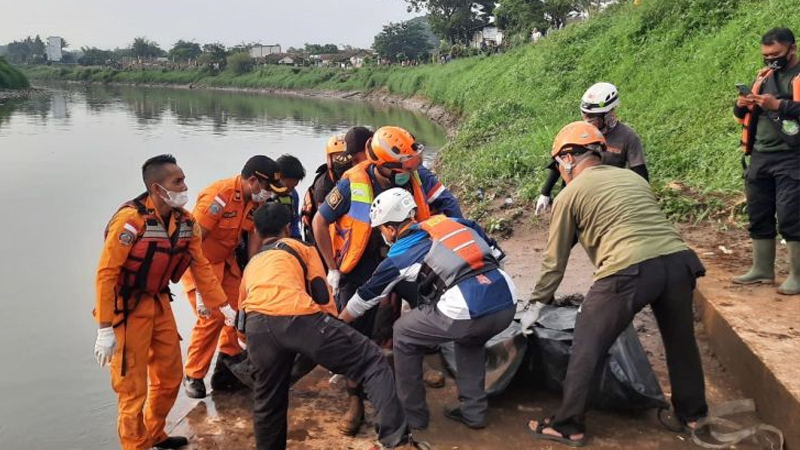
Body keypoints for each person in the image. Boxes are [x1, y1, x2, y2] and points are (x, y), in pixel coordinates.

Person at [521, 122, 708, 447]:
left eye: (558, 163)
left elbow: (555, 262)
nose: (560, 170)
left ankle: (568, 425)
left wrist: (536, 305)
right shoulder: (633, 179)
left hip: (627, 270)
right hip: (679, 261)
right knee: (681, 342)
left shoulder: (569, 194)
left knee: (587, 342)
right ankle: (692, 416)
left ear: (568, 157)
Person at [312, 125, 462, 436]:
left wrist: (455, 234)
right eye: (402, 169)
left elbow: (446, 202)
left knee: (428, 301)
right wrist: (332, 269)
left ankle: (420, 363)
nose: (410, 173)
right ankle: (355, 401)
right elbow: (319, 220)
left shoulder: (415, 173)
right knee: (355, 330)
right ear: (382, 166)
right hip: (360, 261)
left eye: (411, 166)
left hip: (406, 254)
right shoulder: (352, 182)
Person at [240, 202, 429, 450]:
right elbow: (322, 298)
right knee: (371, 360)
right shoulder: (301, 248)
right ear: (288, 227)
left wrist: (249, 343)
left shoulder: (252, 265)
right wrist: (333, 333)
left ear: (256, 232)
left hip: (257, 328)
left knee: (268, 401)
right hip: (298, 316)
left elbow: (241, 315)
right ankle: (397, 442)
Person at [339, 188, 516, 430]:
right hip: (506, 300)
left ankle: (414, 416)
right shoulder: (456, 223)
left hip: (466, 310)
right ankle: (474, 412)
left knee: (403, 331)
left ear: (390, 229)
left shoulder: (400, 253)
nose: (383, 234)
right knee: (470, 340)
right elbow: (497, 255)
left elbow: (365, 297)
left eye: (381, 229)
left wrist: (340, 320)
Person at [94, 154, 234, 450]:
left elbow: (201, 266)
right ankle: (136, 445)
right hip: (127, 310)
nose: (185, 186)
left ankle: (155, 432)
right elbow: (106, 275)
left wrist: (223, 306)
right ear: (157, 189)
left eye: (183, 179)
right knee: (132, 390)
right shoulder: (130, 222)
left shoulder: (186, 222)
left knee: (169, 378)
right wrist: (104, 329)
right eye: (178, 181)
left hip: (159, 304)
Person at [183, 155, 288, 399]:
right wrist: (201, 290)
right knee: (211, 318)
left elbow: (253, 235)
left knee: (240, 309)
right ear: (253, 180)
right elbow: (193, 241)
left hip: (226, 262)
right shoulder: (217, 197)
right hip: (202, 266)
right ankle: (193, 374)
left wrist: (252, 268)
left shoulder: (254, 200)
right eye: (267, 189)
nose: (269, 195)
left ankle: (230, 360)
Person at [732, 27, 800, 295]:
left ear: (792, 49)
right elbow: (741, 118)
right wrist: (742, 104)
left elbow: (782, 108)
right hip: (759, 155)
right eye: (766, 55)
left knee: (790, 215)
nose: (771, 59)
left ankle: (797, 275)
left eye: (776, 54)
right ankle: (762, 269)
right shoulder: (764, 77)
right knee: (759, 212)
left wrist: (778, 105)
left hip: (792, 157)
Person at [535, 82, 649, 216]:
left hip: (606, 199)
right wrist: (545, 192)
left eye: (591, 118)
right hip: (575, 193)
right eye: (584, 116)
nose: (586, 121)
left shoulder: (627, 137)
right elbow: (560, 162)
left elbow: (640, 174)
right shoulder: (579, 131)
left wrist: (642, 201)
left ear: (608, 115)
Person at [301, 132, 356, 243]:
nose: (343, 160)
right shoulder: (323, 186)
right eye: (337, 156)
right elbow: (324, 222)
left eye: (346, 156)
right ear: (329, 159)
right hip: (322, 237)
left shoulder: (352, 176)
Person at [276, 154, 305, 239]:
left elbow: (294, 220)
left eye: (293, 187)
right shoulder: (264, 195)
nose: (290, 190)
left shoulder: (293, 195)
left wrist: (297, 239)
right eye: (288, 187)